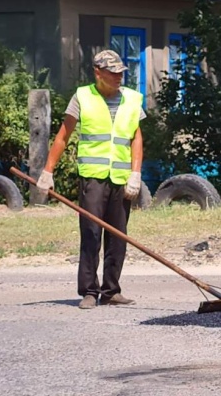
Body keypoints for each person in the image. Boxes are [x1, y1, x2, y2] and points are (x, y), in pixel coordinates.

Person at [38, 50, 145, 309]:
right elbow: (63, 135)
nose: (119, 77)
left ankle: (111, 291)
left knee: (118, 236)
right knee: (91, 233)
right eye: (113, 73)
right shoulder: (82, 97)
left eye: (121, 73)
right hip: (92, 178)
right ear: (98, 72)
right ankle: (89, 291)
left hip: (121, 178)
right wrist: (47, 171)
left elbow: (136, 138)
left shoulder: (132, 98)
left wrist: (136, 173)